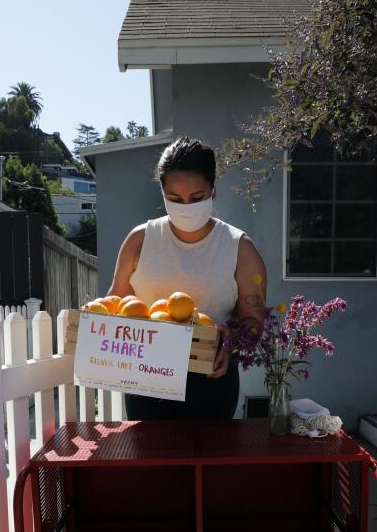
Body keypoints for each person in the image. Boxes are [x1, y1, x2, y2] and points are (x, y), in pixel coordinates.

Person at [107, 136, 267, 420]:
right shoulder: (140, 241)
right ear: (162, 192)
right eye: (175, 199)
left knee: (207, 462)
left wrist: (232, 344)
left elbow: (253, 320)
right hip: (146, 378)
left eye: (197, 198)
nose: (186, 206)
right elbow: (114, 307)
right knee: (150, 460)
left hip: (211, 379)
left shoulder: (239, 248)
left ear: (213, 190)